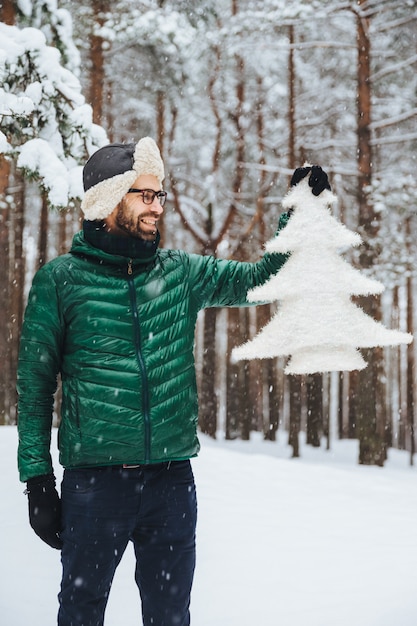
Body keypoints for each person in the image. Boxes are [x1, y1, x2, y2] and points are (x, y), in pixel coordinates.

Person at [17, 138, 330, 626]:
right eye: (145, 194)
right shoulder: (61, 281)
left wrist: (299, 215)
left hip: (170, 483)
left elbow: (264, 280)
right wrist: (37, 480)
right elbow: (34, 389)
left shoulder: (180, 273)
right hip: (94, 485)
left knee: (171, 617)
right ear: (108, 199)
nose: (157, 206)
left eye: (160, 195)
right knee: (81, 614)